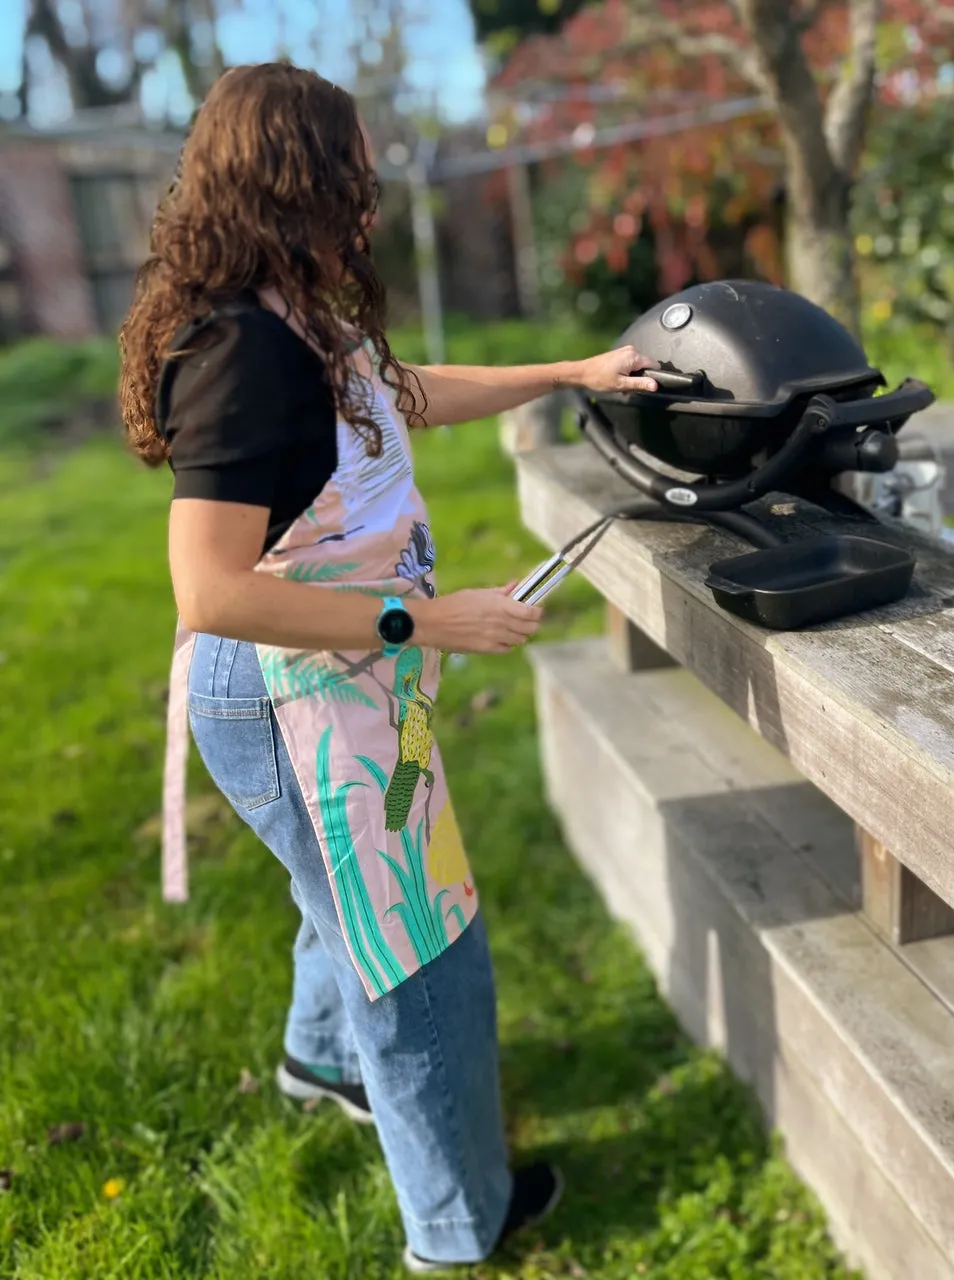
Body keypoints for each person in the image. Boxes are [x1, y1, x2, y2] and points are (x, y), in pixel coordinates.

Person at [117, 61, 658, 1273]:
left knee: (344, 909)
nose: (368, 191)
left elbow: (398, 394)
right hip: (290, 703)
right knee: (418, 962)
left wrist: (571, 372)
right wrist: (432, 621)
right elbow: (208, 591)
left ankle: (316, 1061)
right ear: (294, 180)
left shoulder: (290, 308)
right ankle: (457, 1230)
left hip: (339, 683)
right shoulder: (239, 349)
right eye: (352, 171)